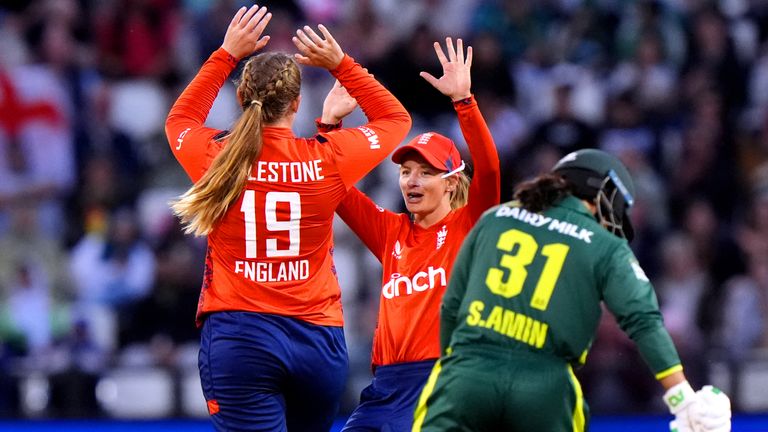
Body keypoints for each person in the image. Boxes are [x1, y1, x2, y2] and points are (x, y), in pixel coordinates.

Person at [165, 5, 411, 431]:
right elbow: (396, 119)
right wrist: (342, 64)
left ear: (241, 98)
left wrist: (225, 53)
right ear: (298, 102)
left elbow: (179, 121)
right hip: (318, 341)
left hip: (240, 338)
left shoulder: (215, 157)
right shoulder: (326, 160)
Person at [413, 149, 732, 432]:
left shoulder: (495, 218)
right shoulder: (605, 245)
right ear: (603, 192)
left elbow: (451, 306)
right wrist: (681, 398)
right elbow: (644, 321)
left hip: (468, 372)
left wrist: (457, 369)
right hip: (545, 387)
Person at [321, 38, 500, 431]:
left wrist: (465, 102)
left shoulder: (469, 226)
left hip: (444, 380)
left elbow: (488, 170)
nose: (412, 181)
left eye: (426, 172)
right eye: (406, 172)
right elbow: (333, 188)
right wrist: (329, 127)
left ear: (452, 184)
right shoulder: (391, 232)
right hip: (386, 386)